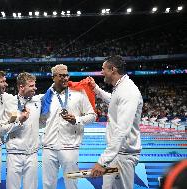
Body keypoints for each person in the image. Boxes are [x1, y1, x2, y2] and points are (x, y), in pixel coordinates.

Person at [89, 55, 143, 189]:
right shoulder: (121, 87)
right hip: (117, 154)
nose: (102, 72)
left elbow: (122, 129)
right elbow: (113, 100)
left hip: (123, 156)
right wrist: (96, 89)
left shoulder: (128, 90)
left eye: (103, 69)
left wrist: (102, 161)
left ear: (112, 69)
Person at [41, 64, 96, 189]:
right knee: (48, 185)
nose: (65, 78)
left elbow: (92, 116)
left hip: (70, 147)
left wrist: (76, 119)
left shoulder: (79, 94)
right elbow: (42, 121)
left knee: (72, 183)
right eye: (61, 76)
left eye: (67, 75)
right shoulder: (46, 97)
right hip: (49, 147)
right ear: (54, 77)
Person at [0, 72, 42, 189]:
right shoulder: (9, 103)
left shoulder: (38, 102)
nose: (35, 88)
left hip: (32, 154)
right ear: (21, 87)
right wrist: (19, 121)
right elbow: (2, 130)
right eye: (32, 86)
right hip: (14, 154)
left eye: (35, 85)